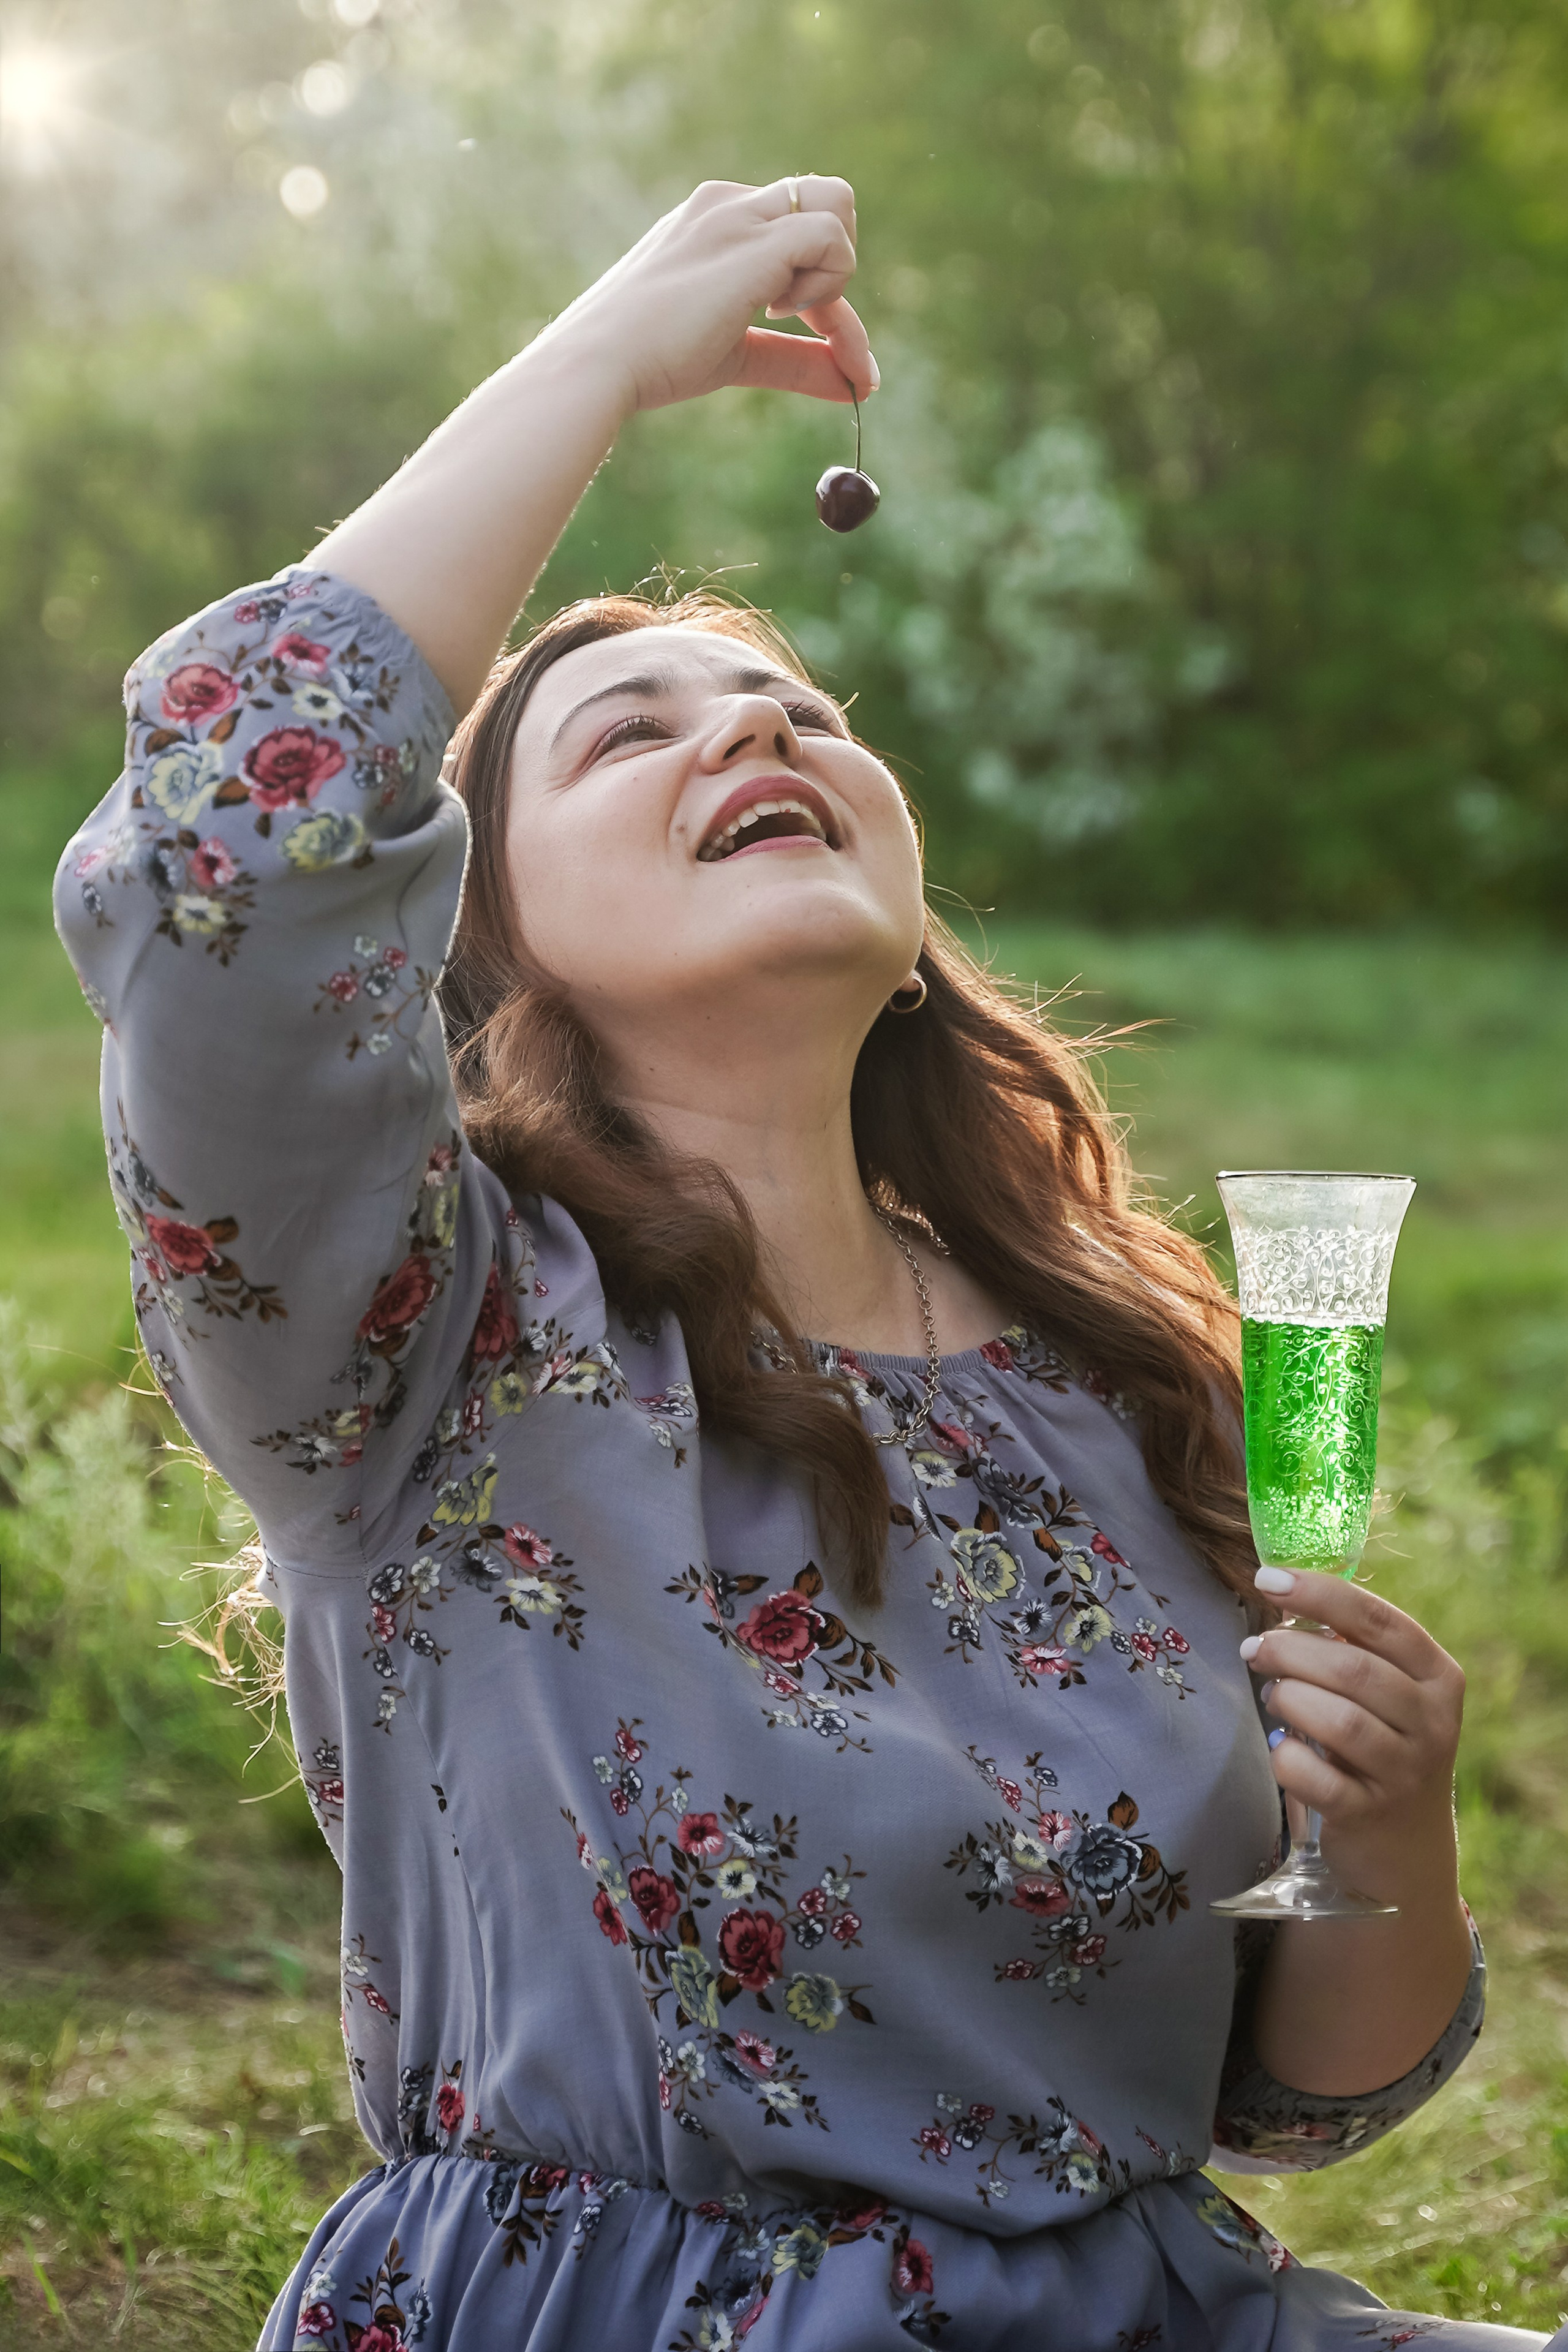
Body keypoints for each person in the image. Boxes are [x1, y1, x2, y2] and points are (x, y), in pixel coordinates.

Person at [55, 175, 1548, 2352]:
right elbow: (230, 832)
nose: (757, 730)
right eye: (629, 732)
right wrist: (608, 357)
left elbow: (1295, 2095)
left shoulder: (1109, 1384)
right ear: (486, 948)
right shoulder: (418, 1339)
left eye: (800, 712)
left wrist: (1393, 1815)